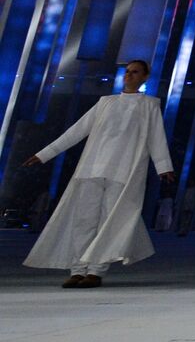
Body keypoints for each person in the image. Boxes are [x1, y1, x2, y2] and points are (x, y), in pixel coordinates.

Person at [22, 59, 175, 288]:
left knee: (109, 221)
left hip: (124, 170)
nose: (129, 76)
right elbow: (78, 130)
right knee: (84, 221)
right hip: (92, 168)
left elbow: (156, 137)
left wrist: (164, 167)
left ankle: (95, 271)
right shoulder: (106, 102)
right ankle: (77, 269)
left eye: (135, 73)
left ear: (145, 77)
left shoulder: (149, 105)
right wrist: (45, 154)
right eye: (127, 72)